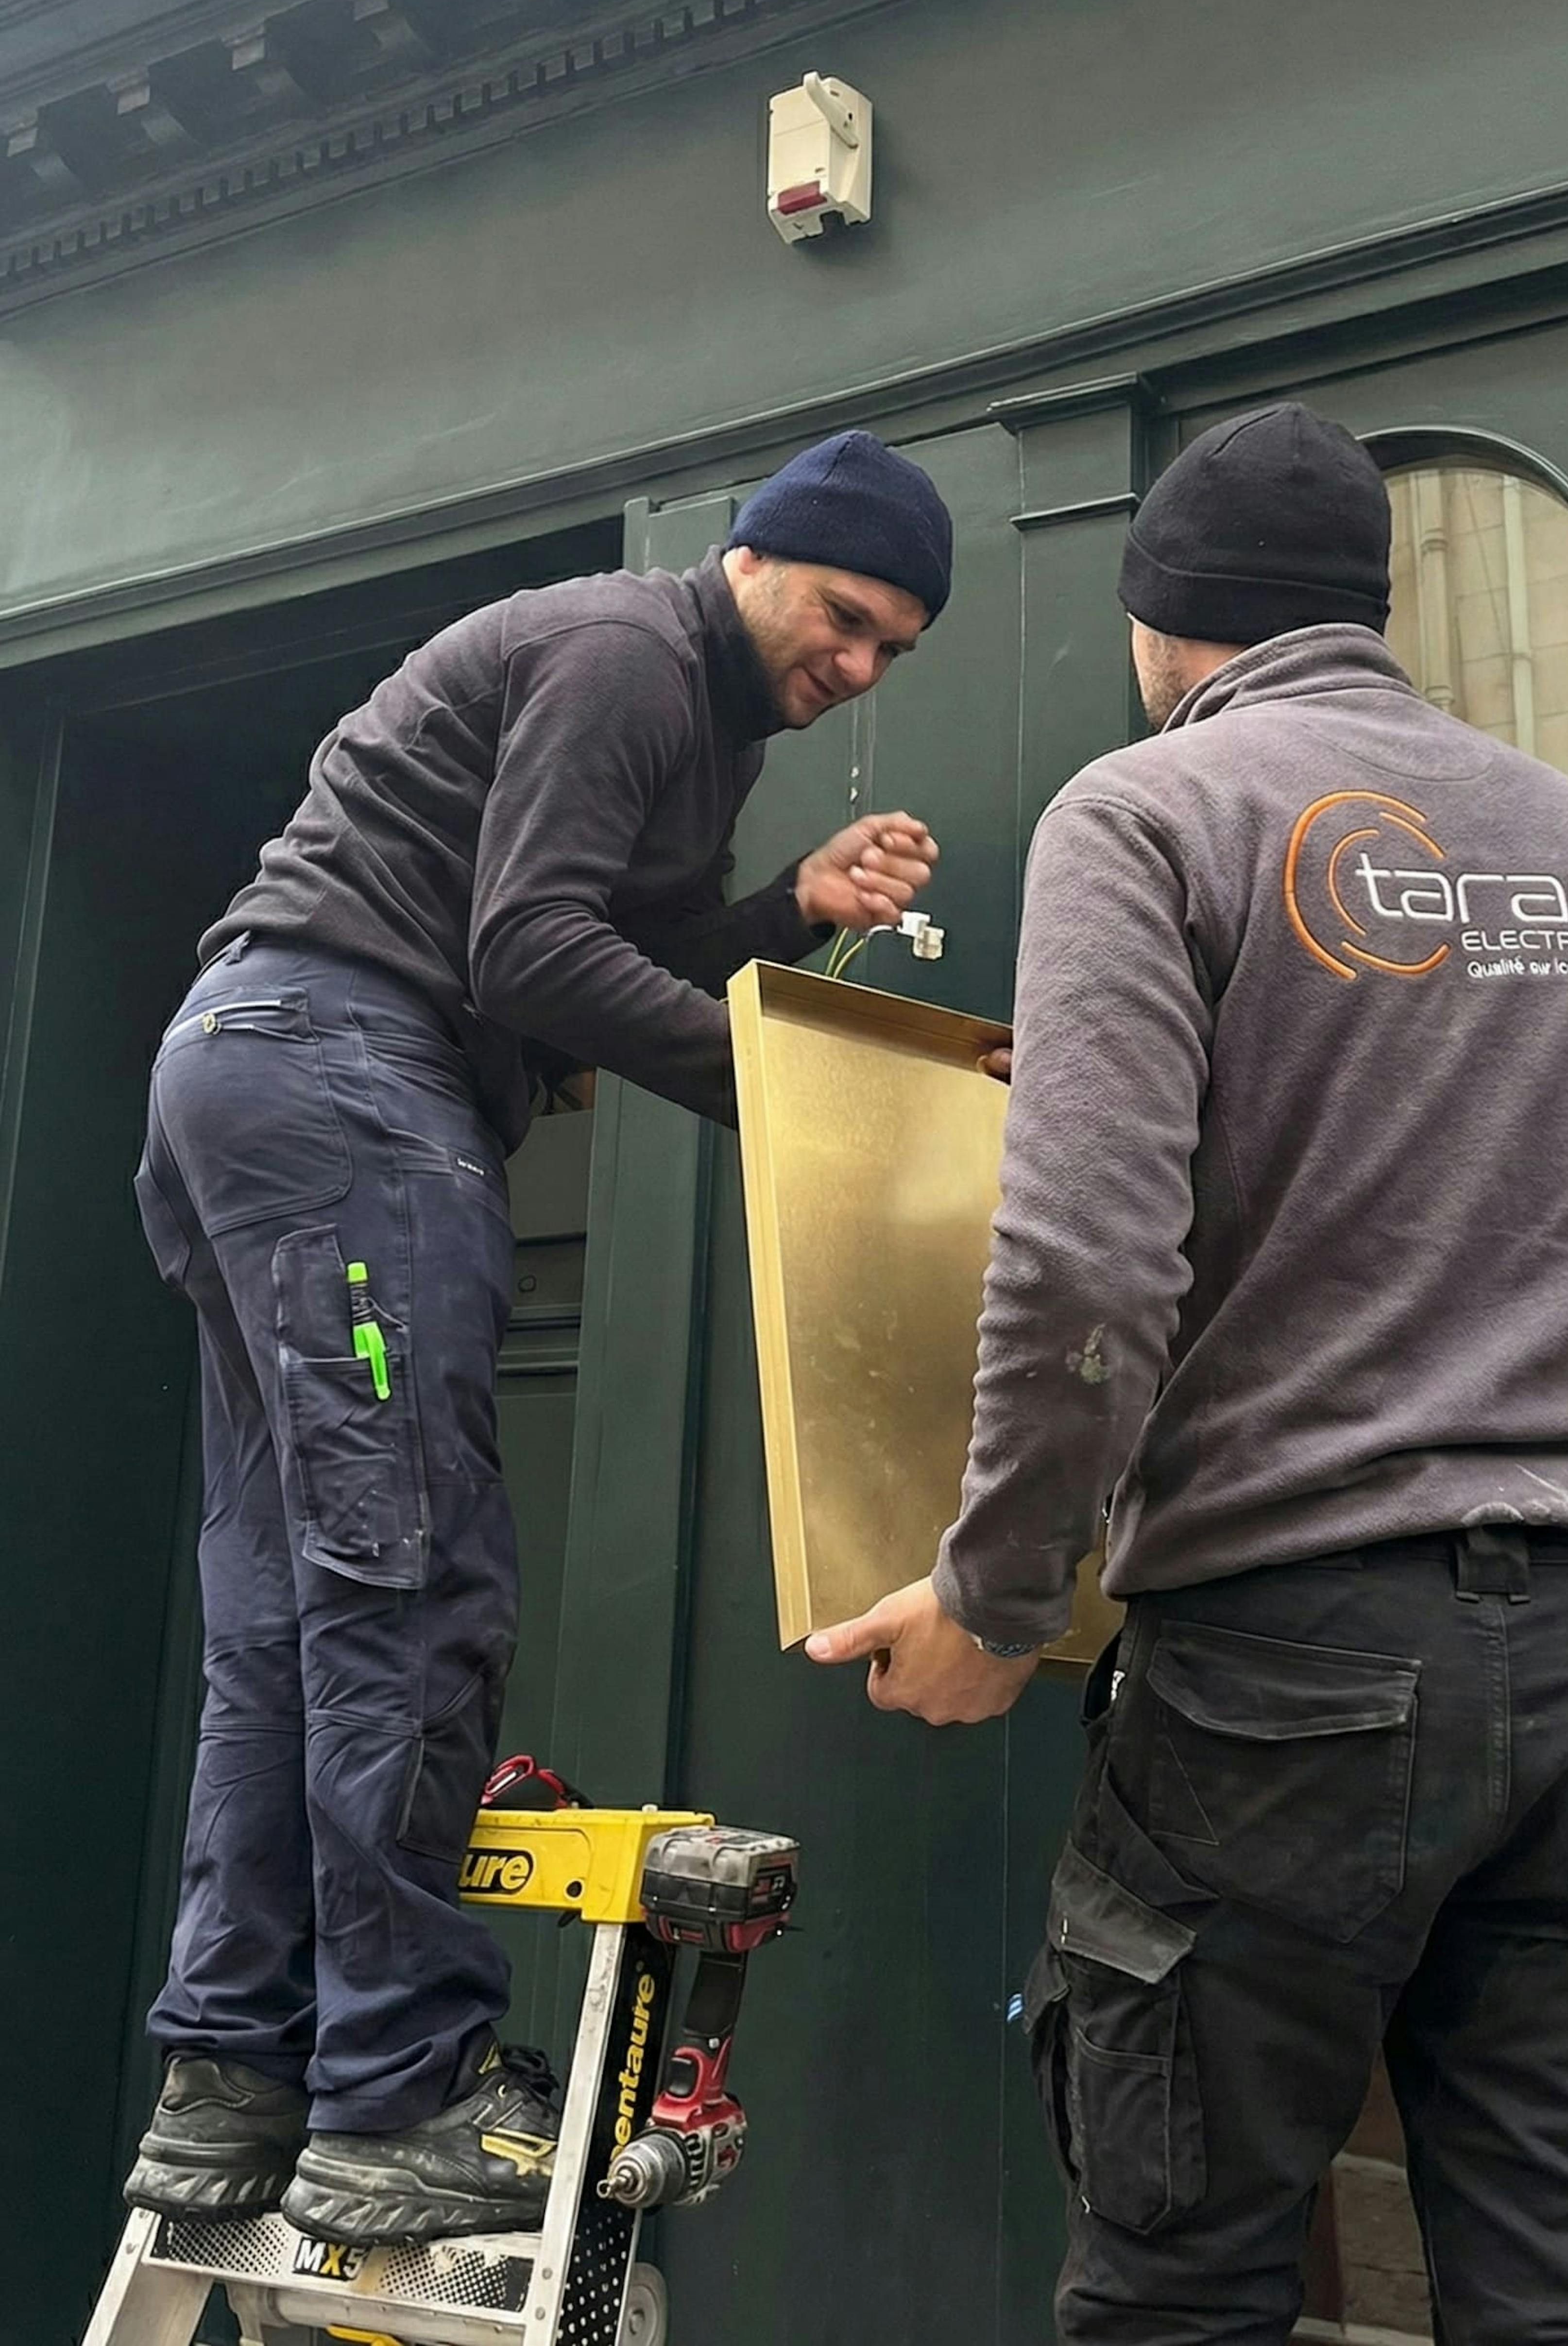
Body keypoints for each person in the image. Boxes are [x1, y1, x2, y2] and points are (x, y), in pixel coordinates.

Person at [810, 405, 1568, 2344]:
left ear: (1164, 622)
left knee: (1182, 2289)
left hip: (1296, 1666)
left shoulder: (1146, 813)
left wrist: (996, 1591)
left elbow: (1084, 1256)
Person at [127, 429, 951, 2245]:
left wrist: (782, 913)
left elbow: (593, 934)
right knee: (413, 1579)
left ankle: (234, 2074)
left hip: (259, 1069)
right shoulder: (624, 656)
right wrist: (804, 1086)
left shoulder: (694, 719)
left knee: (289, 1603)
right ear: (754, 560)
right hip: (352, 1076)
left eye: (899, 646)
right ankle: (401, 2082)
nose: (863, 666)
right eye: (845, 615)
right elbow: (527, 956)